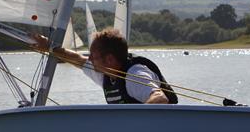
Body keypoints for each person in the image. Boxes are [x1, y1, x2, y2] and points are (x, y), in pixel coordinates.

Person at [33, 28, 177, 104]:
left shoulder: (135, 74)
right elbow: (78, 59)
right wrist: (50, 48)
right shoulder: (105, 74)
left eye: (93, 56)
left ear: (109, 59)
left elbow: (160, 99)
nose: (89, 59)